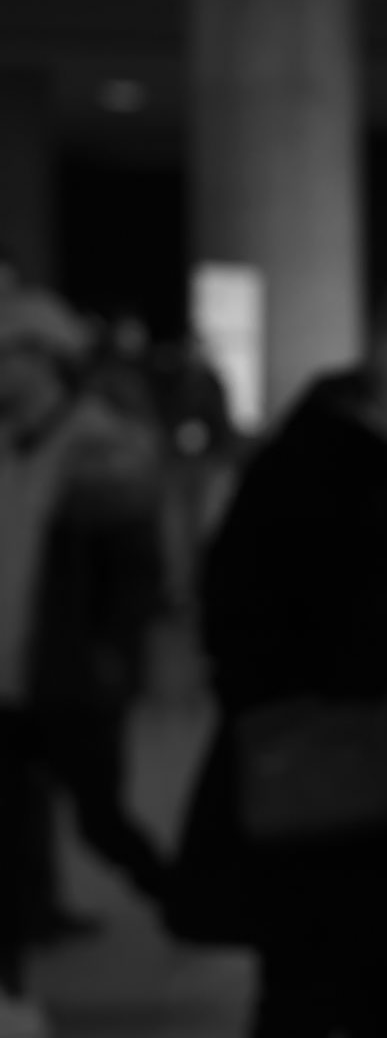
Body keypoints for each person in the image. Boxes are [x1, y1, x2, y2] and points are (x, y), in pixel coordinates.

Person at [166, 280, 387, 1035]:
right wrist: (294, 713)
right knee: (305, 989)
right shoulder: (310, 461)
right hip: (324, 776)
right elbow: (237, 611)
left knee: (386, 989)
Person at [0, 288, 167, 1037]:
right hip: (10, 679)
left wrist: (110, 659)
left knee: (102, 820)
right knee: (6, 836)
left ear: (48, 362)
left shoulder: (102, 448)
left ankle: (191, 902)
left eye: (10, 354)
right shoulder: (10, 442)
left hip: (68, 678)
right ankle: (10, 985)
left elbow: (135, 577)